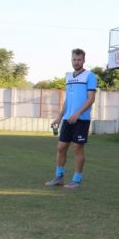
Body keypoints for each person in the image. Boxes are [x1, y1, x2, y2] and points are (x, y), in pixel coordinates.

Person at [44, 49, 97, 188]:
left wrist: (78, 113)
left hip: (82, 119)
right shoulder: (68, 77)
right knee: (61, 147)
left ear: (84, 60)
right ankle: (59, 178)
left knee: (77, 149)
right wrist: (60, 117)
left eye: (79, 60)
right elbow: (68, 100)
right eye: (74, 59)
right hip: (68, 119)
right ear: (71, 60)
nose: (76, 62)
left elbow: (91, 99)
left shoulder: (90, 76)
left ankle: (77, 180)